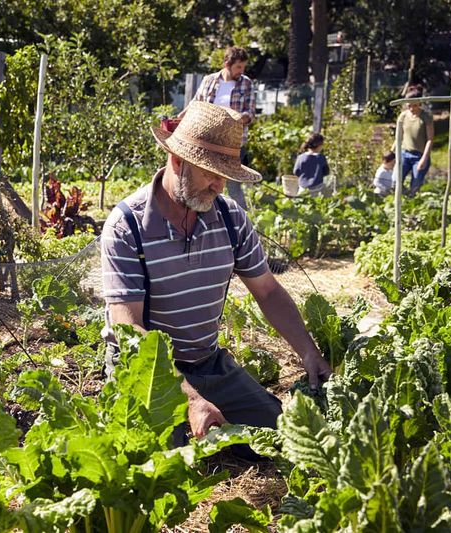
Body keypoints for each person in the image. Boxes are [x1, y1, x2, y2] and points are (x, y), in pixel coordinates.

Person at [100, 101, 332, 455]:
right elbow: (129, 331)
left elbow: (268, 292)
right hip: (146, 376)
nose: (219, 186)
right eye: (210, 173)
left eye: (226, 175)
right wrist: (191, 400)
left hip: (207, 364)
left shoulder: (229, 218)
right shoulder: (127, 226)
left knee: (280, 437)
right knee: (166, 459)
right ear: (177, 161)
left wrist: (308, 352)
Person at [178, 46, 255, 209]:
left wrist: (241, 117)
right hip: (206, 141)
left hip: (232, 142)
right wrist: (182, 115)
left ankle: (241, 218)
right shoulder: (209, 80)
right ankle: (206, 212)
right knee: (205, 181)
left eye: (243, 67)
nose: (241, 70)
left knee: (233, 184)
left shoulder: (246, 83)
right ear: (228, 64)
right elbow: (196, 102)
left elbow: (251, 112)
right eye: (238, 67)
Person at [398, 84, 434, 196]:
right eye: (409, 106)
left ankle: (411, 206)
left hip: (419, 156)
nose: (412, 108)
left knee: (415, 186)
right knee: (395, 181)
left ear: (420, 103)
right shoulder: (403, 116)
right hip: (404, 153)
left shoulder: (425, 117)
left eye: (414, 106)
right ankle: (400, 202)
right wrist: (392, 153)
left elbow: (430, 139)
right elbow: (398, 137)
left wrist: (424, 158)